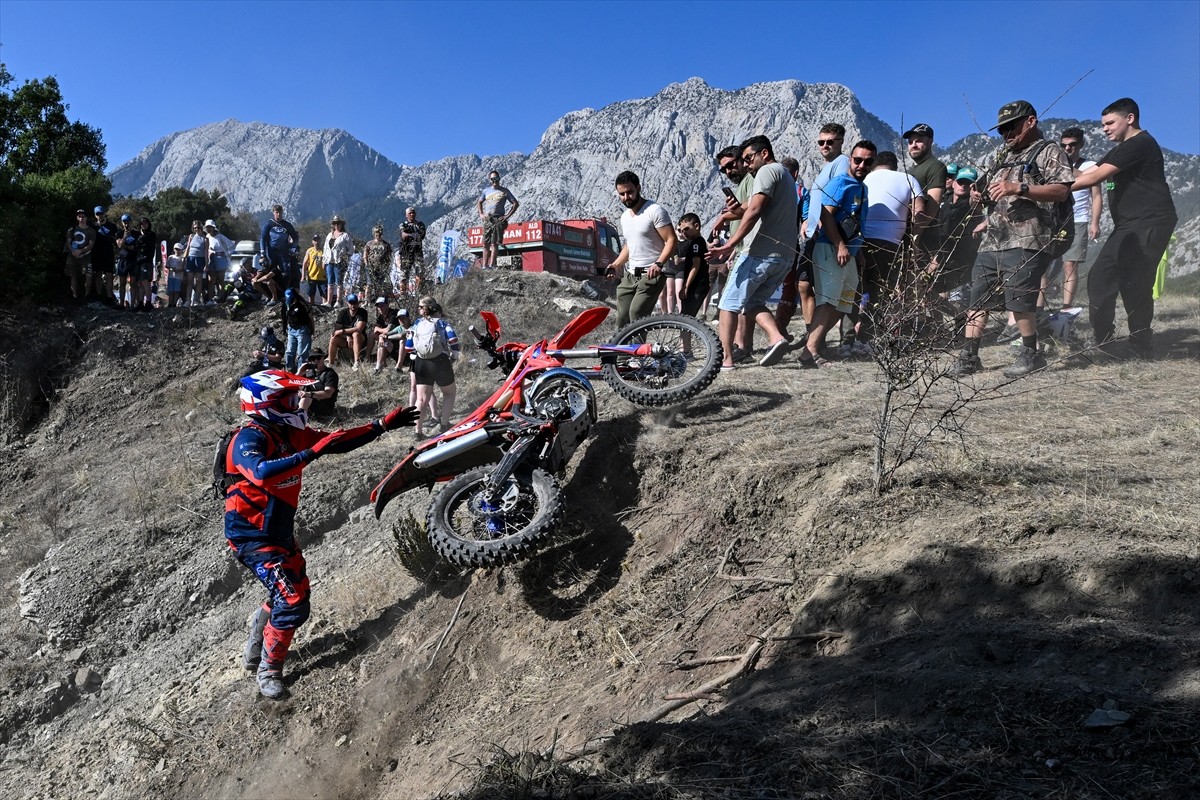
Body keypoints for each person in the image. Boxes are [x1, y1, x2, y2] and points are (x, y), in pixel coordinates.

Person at [223, 369, 418, 699]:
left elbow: (335, 442)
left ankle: (255, 649)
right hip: (253, 537)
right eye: (287, 399)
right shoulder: (249, 438)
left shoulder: (286, 432)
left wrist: (381, 425)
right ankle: (268, 670)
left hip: (277, 531)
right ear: (265, 404)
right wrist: (310, 453)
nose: (295, 403)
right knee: (293, 601)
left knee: (294, 591)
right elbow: (260, 472)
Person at [950, 100, 1074, 378]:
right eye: (1002, 130)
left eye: (1011, 127)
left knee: (1019, 301)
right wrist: (977, 196)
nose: (1006, 134)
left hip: (1030, 237)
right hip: (993, 238)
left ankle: (1031, 355)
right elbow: (982, 190)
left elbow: (1062, 191)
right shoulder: (1001, 156)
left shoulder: (1048, 151)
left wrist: (1019, 187)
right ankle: (969, 357)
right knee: (976, 299)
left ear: (1030, 121)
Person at [1068, 98, 1177, 359]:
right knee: (1100, 278)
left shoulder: (1140, 143)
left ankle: (1139, 345)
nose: (1104, 129)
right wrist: (1046, 176)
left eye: (1109, 123)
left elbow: (1093, 178)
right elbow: (1085, 173)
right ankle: (1104, 338)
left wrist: (1045, 192)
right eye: (1103, 124)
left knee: (1136, 284)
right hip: (1127, 225)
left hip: (1150, 221)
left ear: (1130, 118)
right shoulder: (1121, 149)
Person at [707, 135, 798, 369]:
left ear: (764, 154)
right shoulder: (785, 175)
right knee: (752, 302)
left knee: (727, 304)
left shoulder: (766, 172)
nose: (746, 164)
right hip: (784, 256)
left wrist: (729, 244)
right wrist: (724, 216)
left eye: (748, 158)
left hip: (760, 253)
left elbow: (755, 209)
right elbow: (748, 206)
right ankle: (777, 338)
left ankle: (726, 360)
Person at [797, 140, 875, 367]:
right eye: (857, 160)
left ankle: (811, 345)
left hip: (849, 252)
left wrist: (857, 251)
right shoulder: (840, 182)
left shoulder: (862, 187)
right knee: (828, 302)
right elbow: (825, 214)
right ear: (850, 159)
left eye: (867, 162)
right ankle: (808, 354)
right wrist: (840, 244)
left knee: (844, 303)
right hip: (831, 248)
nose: (861, 165)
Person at [855, 150, 925, 354]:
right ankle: (866, 339)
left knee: (855, 290)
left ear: (875, 165)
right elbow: (919, 211)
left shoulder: (865, 178)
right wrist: (914, 239)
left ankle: (848, 339)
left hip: (860, 241)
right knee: (879, 293)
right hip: (889, 243)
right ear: (895, 166)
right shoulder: (907, 178)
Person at [604, 170, 676, 328]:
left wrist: (658, 264)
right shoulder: (624, 217)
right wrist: (616, 265)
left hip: (652, 273)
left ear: (639, 188)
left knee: (636, 314)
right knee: (622, 320)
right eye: (621, 194)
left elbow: (671, 240)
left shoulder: (654, 211)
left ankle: (639, 353)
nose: (626, 197)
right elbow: (630, 245)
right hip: (630, 275)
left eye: (629, 192)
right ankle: (621, 353)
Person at [800, 123, 851, 347]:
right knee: (809, 287)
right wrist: (806, 221)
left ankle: (814, 342)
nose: (825, 145)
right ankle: (812, 338)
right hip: (815, 233)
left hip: (827, 236)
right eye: (821, 142)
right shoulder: (827, 166)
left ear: (840, 142)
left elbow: (834, 198)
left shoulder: (841, 163)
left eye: (831, 141)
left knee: (828, 295)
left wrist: (827, 229)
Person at [1045, 128, 1102, 311]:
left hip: (1078, 219)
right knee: (1043, 265)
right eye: (1064, 145)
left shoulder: (1090, 166)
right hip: (1055, 220)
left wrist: (1095, 222)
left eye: (1072, 145)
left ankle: (1066, 308)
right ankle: (1039, 308)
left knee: (1070, 264)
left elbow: (1097, 196)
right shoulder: (1055, 165)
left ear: (1081, 145)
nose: (1067, 148)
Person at [407, 296, 460, 437]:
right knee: (449, 392)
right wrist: (454, 356)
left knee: (421, 399)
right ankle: (444, 424)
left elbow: (408, 347)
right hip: (440, 361)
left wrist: (415, 355)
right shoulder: (442, 324)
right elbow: (453, 339)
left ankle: (417, 432)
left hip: (420, 362)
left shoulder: (416, 325)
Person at [902, 123, 949, 263]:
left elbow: (933, 204)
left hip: (924, 238)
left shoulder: (935, 166)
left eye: (919, 140)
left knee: (916, 281)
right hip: (908, 234)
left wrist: (916, 236)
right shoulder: (912, 171)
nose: (913, 145)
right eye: (910, 142)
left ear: (930, 141)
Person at [476, 170, 520, 269]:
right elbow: (479, 202)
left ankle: (492, 265)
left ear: (499, 178)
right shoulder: (486, 191)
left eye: (496, 178)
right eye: (492, 179)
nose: (494, 180)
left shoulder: (505, 191)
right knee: (485, 243)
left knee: (494, 243)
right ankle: (484, 266)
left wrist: (507, 216)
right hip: (488, 219)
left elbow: (515, 203)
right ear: (490, 180)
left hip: (498, 219)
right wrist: (481, 214)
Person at [260, 205, 298, 289]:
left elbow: (295, 238)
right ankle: (271, 294)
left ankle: (285, 293)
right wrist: (262, 252)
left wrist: (292, 249)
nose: (278, 214)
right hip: (271, 252)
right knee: (269, 272)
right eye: (277, 212)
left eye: (280, 212)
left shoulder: (287, 225)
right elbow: (262, 238)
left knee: (286, 273)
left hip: (283, 253)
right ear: (273, 213)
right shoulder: (269, 224)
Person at [328, 293, 368, 370]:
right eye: (351, 303)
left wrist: (343, 331)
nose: (353, 305)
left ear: (358, 303)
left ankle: (357, 362)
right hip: (345, 339)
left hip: (360, 338)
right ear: (347, 303)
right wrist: (347, 336)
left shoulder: (362, 312)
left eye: (355, 303)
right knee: (333, 339)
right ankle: (331, 363)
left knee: (356, 334)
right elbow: (336, 330)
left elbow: (359, 328)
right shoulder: (342, 313)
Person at [63, 209, 95, 302]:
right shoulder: (72, 229)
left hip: (86, 255)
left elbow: (91, 245)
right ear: (77, 218)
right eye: (79, 216)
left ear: (86, 218)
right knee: (73, 275)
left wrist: (80, 251)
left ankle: (87, 296)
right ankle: (75, 297)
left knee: (88, 275)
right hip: (72, 255)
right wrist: (73, 251)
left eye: (83, 216)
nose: (81, 218)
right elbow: (68, 242)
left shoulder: (91, 231)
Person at [279, 288, 315, 372]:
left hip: (302, 329)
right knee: (290, 351)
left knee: (302, 353)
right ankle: (289, 369)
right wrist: (284, 329)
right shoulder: (286, 304)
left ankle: (301, 371)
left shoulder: (302, 304)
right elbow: (284, 317)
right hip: (291, 329)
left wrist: (312, 329)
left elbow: (310, 317)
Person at [90, 206, 119, 305]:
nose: (100, 216)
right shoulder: (93, 226)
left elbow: (117, 239)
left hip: (108, 254)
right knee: (97, 274)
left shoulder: (112, 226)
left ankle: (109, 296)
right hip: (96, 253)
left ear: (104, 213)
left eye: (101, 213)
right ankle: (98, 296)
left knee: (109, 275)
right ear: (95, 215)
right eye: (98, 214)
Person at [299, 349, 339, 418]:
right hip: (309, 404)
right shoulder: (308, 372)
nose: (316, 361)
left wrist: (309, 394)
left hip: (325, 406)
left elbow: (328, 394)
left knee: (306, 398)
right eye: (313, 359)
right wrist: (299, 372)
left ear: (323, 358)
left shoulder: (330, 374)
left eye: (318, 358)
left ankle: (300, 420)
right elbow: (292, 383)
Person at [322, 215, 352, 309]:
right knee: (330, 281)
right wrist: (324, 260)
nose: (336, 225)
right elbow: (325, 248)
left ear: (341, 224)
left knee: (339, 281)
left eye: (338, 223)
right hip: (329, 260)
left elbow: (350, 249)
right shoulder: (329, 235)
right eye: (335, 223)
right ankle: (329, 301)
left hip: (339, 261)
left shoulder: (345, 236)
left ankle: (338, 301)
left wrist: (345, 258)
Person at [204, 220, 235, 305]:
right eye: (207, 227)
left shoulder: (220, 237)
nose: (208, 229)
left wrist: (227, 254)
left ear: (213, 228)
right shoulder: (207, 237)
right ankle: (210, 299)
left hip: (221, 258)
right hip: (212, 259)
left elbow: (231, 245)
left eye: (210, 227)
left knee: (221, 279)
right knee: (212, 279)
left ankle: (223, 297)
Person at [397, 207, 426, 294]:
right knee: (404, 275)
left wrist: (410, 235)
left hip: (417, 253)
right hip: (406, 253)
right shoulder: (403, 224)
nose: (412, 214)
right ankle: (403, 295)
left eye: (413, 213)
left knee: (420, 273)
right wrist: (413, 235)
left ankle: (418, 293)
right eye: (410, 213)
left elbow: (422, 235)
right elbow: (403, 235)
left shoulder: (420, 224)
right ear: (406, 215)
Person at [133, 217, 159, 311]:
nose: (144, 225)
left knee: (146, 282)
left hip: (147, 261)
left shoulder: (151, 234)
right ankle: (140, 303)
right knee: (140, 283)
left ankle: (148, 302)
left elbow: (147, 243)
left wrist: (142, 236)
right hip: (138, 261)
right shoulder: (138, 235)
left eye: (145, 223)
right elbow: (136, 246)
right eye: (142, 224)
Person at [362, 224, 393, 301]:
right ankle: (367, 300)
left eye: (379, 232)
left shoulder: (386, 244)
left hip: (381, 267)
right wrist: (366, 263)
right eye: (376, 232)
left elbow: (389, 256)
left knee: (379, 284)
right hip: (371, 266)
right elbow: (365, 254)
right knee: (369, 284)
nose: (378, 234)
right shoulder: (369, 243)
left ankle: (378, 299)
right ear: (373, 233)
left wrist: (387, 265)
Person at [182, 220, 209, 308]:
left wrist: (206, 264)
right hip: (191, 258)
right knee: (190, 281)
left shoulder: (205, 238)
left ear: (201, 227)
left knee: (198, 281)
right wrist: (184, 257)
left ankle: (196, 299)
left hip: (200, 259)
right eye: (194, 228)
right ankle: (188, 300)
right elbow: (188, 247)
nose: (196, 229)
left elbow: (206, 252)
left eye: (197, 227)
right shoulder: (191, 236)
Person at [370, 297, 399, 373]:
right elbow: (375, 329)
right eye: (379, 306)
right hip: (388, 340)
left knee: (382, 342)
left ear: (387, 305)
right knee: (372, 334)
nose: (380, 308)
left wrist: (380, 333)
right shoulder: (381, 316)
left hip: (396, 345)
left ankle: (379, 366)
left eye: (382, 305)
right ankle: (369, 359)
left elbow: (388, 330)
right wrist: (381, 335)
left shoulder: (393, 314)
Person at [114, 214, 138, 309]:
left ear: (130, 222)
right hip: (123, 260)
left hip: (133, 260)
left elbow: (136, 247)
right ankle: (121, 304)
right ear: (122, 223)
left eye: (127, 221)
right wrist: (125, 237)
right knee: (122, 283)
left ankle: (132, 304)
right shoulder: (119, 233)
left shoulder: (136, 233)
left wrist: (127, 246)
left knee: (133, 283)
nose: (126, 224)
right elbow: (119, 245)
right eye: (124, 222)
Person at [301, 235, 325, 304]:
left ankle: (325, 309)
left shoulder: (323, 250)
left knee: (324, 295)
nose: (316, 242)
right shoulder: (309, 251)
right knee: (311, 295)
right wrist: (303, 276)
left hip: (322, 277)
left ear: (320, 241)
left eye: (318, 240)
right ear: (312, 241)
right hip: (311, 276)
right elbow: (304, 264)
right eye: (315, 240)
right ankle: (311, 309)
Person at [165, 243, 186, 307]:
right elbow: (167, 265)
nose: (177, 251)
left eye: (179, 249)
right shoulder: (170, 257)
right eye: (176, 249)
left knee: (176, 291)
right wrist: (171, 268)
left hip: (178, 277)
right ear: (174, 249)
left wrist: (178, 270)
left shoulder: (182, 258)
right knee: (171, 291)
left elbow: (184, 268)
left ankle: (174, 303)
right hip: (171, 276)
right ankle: (170, 303)